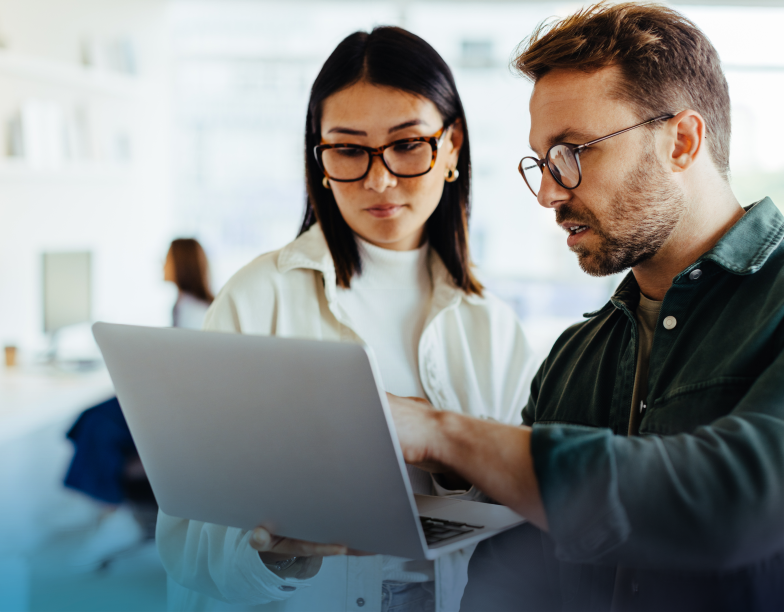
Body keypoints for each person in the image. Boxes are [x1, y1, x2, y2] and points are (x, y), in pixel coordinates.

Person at [389, 3, 784, 610]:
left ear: (681, 141)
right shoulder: (574, 358)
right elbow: (512, 577)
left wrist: (445, 434)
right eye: (542, 162)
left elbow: (733, 499)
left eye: (573, 151)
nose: (549, 192)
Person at [156, 26, 537, 612]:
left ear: (453, 145)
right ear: (321, 158)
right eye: (350, 149)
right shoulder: (260, 298)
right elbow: (187, 543)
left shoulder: (494, 328)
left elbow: (524, 517)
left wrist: (459, 457)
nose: (378, 179)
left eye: (408, 144)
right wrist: (277, 554)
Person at [64, 238, 213, 569]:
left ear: (181, 264)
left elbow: (187, 375)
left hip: (177, 410)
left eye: (167, 260)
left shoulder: (191, 309)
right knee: (90, 419)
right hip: (170, 400)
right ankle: (100, 502)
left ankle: (106, 506)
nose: (161, 265)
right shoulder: (189, 304)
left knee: (98, 427)